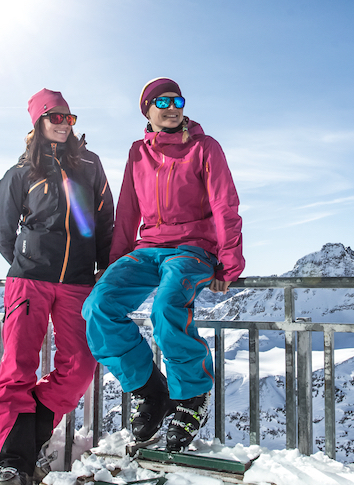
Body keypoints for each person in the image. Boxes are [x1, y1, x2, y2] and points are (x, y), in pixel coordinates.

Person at [83, 78, 244, 452]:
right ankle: (152, 392)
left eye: (178, 100)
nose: (172, 107)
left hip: (193, 248)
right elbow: (127, 211)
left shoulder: (205, 148)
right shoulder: (138, 153)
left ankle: (192, 397)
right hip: (147, 247)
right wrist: (113, 263)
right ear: (147, 110)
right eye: (162, 101)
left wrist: (229, 262)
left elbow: (224, 203)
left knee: (166, 307)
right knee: (98, 307)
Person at [0, 88, 114, 485]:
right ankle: (12, 462)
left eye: (68, 117)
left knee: (80, 365)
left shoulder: (90, 166)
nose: (63, 124)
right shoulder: (20, 173)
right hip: (29, 279)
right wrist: (30, 260)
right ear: (38, 122)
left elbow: (105, 221)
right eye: (55, 117)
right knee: (17, 367)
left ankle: (30, 435)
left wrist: (99, 267)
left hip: (78, 280)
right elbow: (3, 231)